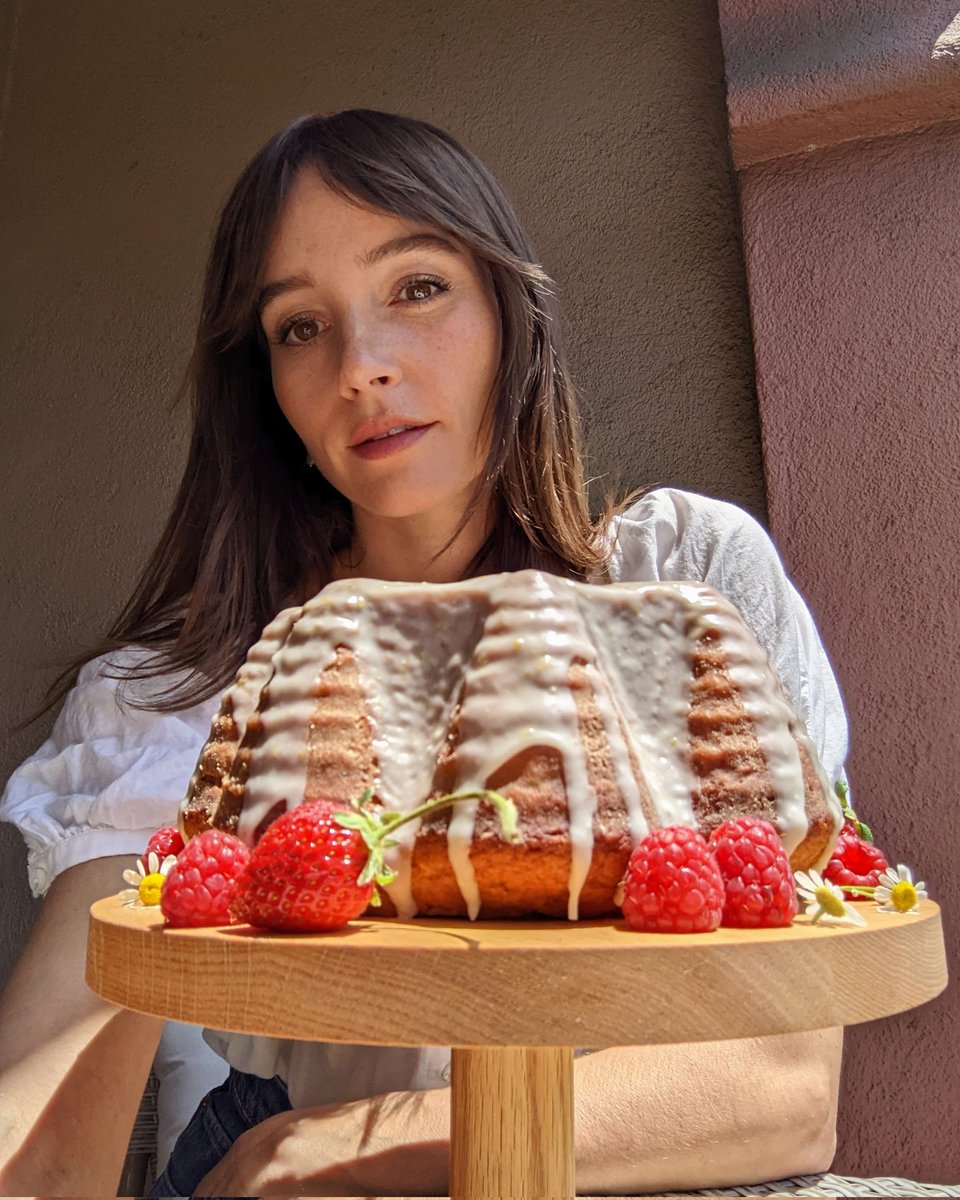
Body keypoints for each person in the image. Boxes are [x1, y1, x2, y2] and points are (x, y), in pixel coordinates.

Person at [0, 109, 846, 1197]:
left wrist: (339, 1150)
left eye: (417, 288)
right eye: (300, 327)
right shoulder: (206, 687)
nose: (363, 367)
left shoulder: (677, 586)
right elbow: (44, 1137)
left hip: (586, 1152)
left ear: (508, 308)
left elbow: (783, 1085)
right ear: (265, 388)